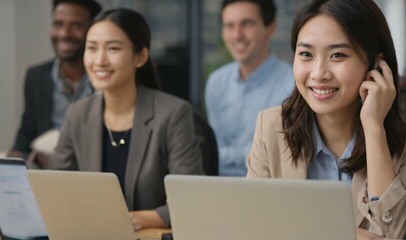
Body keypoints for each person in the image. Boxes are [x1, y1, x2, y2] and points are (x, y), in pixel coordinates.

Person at [247, 0, 406, 239]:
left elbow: (394, 234)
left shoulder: (400, 141)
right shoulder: (271, 127)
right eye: (306, 54)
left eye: (337, 55)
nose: (319, 73)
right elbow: (251, 227)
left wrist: (374, 128)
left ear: (375, 64)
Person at [49, 8, 204, 230]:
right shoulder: (78, 114)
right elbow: (55, 187)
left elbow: (192, 198)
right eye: (91, 48)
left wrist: (138, 219)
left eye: (113, 48)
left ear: (140, 57)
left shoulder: (173, 114)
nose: (99, 60)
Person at [205, 0, 294, 176]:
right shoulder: (216, 82)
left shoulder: (291, 84)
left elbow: (276, 155)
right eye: (229, 26)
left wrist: (224, 154)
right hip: (219, 187)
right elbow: (213, 149)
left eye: (247, 24)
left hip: (268, 189)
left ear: (270, 29)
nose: (237, 35)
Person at [7, 0, 102, 162]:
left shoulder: (105, 78)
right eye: (58, 24)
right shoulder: (36, 76)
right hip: (45, 172)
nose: (64, 34)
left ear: (92, 29)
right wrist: (16, 154)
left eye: (76, 26)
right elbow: (27, 132)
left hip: (90, 172)